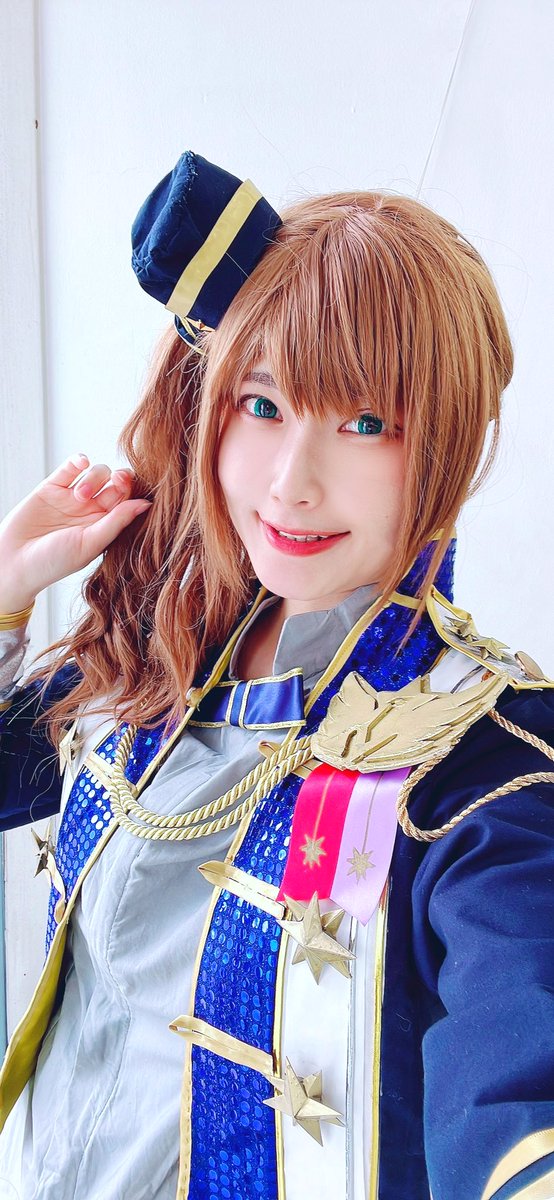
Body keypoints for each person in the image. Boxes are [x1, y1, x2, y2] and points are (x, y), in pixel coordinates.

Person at [0, 150, 552, 1200]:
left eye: (364, 424)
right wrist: (8, 591)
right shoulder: (158, 661)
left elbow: (516, 1061)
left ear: (443, 445)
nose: (293, 482)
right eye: (262, 405)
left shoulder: (481, 761)